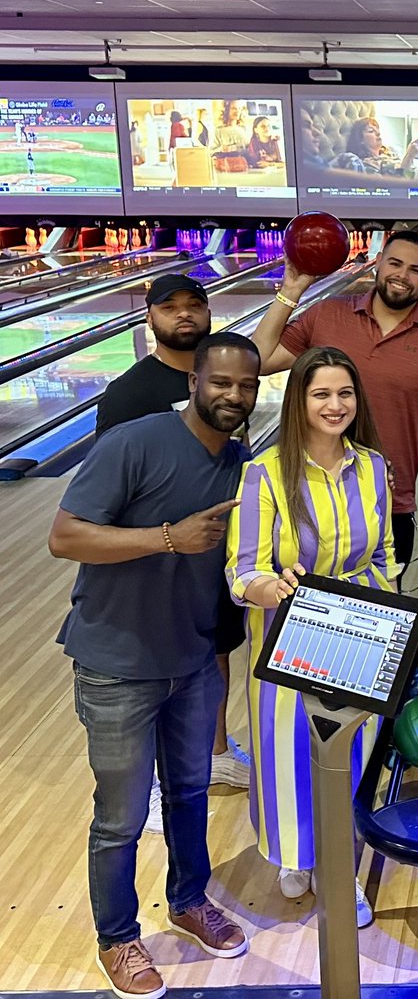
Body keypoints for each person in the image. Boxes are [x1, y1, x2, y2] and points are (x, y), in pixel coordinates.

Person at [48, 331, 260, 999]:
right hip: (116, 664)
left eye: (246, 385)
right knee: (120, 816)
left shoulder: (240, 459)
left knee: (191, 794)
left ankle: (189, 900)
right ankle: (119, 939)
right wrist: (167, 538)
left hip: (193, 659)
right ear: (194, 380)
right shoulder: (134, 442)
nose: (232, 395)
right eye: (220, 381)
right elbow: (65, 536)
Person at [226, 346, 397, 926]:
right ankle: (297, 854)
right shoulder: (264, 473)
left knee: (350, 751)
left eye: (344, 393)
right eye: (321, 393)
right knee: (292, 753)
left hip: (359, 625)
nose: (335, 405)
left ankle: (339, 868)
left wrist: (391, 611)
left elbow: (383, 553)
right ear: (298, 399)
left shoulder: (373, 466)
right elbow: (240, 570)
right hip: (289, 633)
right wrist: (274, 588)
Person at [96, 274, 251, 830]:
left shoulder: (225, 378)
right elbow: (97, 509)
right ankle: (163, 782)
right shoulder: (129, 396)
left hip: (210, 557)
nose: (183, 315)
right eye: (170, 307)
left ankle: (213, 755)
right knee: (159, 674)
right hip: (153, 569)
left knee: (214, 653)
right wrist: (163, 540)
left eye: (195, 304)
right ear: (150, 317)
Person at [251, 229, 418, 567]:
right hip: (305, 496)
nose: (402, 276)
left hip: (388, 506)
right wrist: (291, 291)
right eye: (395, 264)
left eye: (415, 270)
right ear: (377, 263)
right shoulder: (326, 315)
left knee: (381, 614)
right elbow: (259, 360)